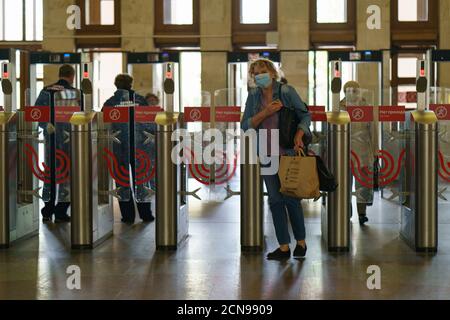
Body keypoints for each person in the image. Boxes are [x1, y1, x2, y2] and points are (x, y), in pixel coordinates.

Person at [241, 59, 312, 260]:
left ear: (272, 72)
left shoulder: (287, 92)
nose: (259, 75)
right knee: (275, 200)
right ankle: (283, 247)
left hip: (288, 152)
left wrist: (300, 134)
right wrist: (266, 112)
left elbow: (305, 116)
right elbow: (245, 125)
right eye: (255, 73)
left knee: (291, 198)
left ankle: (301, 242)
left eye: (262, 71)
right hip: (266, 153)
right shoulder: (254, 96)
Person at [103, 74, 155, 224]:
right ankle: (146, 214)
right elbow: (149, 123)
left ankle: (128, 215)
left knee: (122, 181)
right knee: (142, 180)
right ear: (131, 84)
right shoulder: (140, 101)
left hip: (119, 148)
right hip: (140, 148)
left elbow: (105, 125)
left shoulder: (110, 103)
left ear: (116, 85)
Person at [35, 64, 79, 223]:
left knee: (50, 174)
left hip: (51, 138)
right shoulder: (74, 92)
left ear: (60, 74)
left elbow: (37, 111)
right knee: (65, 174)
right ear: (72, 76)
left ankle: (47, 211)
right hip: (69, 138)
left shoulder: (46, 90)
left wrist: (45, 124)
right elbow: (80, 114)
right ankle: (61, 211)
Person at [340, 81, 374, 225]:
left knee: (363, 185)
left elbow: (373, 129)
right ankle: (346, 211)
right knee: (345, 184)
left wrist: (375, 151)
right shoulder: (339, 107)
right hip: (344, 152)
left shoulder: (366, 107)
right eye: (349, 90)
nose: (352, 93)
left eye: (355, 90)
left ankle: (362, 213)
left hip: (363, 152)